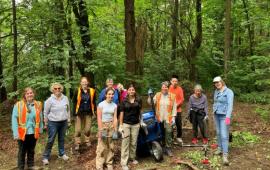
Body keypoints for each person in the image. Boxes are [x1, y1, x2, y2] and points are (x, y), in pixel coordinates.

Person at [12, 87, 43, 170]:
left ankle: (31, 165)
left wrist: (41, 128)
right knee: (22, 151)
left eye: (31, 93)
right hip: (22, 132)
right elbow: (14, 120)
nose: (30, 94)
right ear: (25, 95)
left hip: (33, 131)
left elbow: (40, 117)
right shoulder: (18, 105)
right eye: (28, 93)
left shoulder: (38, 104)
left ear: (34, 94)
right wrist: (16, 133)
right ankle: (20, 167)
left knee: (31, 149)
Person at [42, 83, 71, 165]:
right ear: (52, 90)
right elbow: (45, 112)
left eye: (59, 88)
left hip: (64, 122)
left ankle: (61, 154)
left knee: (62, 138)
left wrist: (68, 120)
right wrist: (45, 122)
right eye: (55, 88)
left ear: (61, 89)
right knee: (51, 140)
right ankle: (45, 157)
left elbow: (68, 110)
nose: (57, 90)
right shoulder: (49, 100)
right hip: (53, 123)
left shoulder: (65, 98)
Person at [148, 81, 177, 157]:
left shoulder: (172, 96)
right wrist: (150, 96)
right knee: (161, 132)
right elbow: (150, 103)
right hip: (159, 117)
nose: (164, 88)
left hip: (168, 117)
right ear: (161, 88)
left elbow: (174, 107)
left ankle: (168, 148)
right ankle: (162, 146)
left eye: (166, 87)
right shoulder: (157, 95)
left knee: (168, 131)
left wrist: (173, 117)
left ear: (168, 88)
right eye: (163, 87)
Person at [119, 84, 142, 170]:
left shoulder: (138, 100)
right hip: (126, 124)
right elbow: (121, 113)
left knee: (133, 142)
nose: (131, 91)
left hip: (136, 124)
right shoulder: (124, 101)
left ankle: (132, 158)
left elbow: (140, 111)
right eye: (130, 90)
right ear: (127, 91)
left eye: (133, 89)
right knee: (125, 143)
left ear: (134, 91)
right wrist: (121, 125)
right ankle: (124, 162)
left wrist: (141, 121)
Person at [213, 76, 234, 166]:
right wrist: (213, 111)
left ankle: (225, 154)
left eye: (218, 82)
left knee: (224, 135)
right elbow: (215, 102)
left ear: (222, 82)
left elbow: (230, 105)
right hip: (216, 115)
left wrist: (228, 117)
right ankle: (219, 148)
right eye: (215, 83)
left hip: (225, 116)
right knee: (218, 132)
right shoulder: (216, 91)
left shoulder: (229, 92)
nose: (217, 84)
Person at [96, 87, 118, 170]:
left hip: (111, 126)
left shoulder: (115, 105)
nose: (111, 96)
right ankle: (99, 165)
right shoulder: (101, 104)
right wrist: (101, 130)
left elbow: (115, 118)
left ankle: (109, 163)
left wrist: (115, 130)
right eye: (109, 94)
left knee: (111, 145)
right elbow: (99, 118)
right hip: (103, 125)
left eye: (112, 94)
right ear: (105, 95)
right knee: (101, 146)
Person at [73, 77, 96, 151]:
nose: (84, 83)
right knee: (78, 130)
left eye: (85, 82)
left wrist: (94, 111)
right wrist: (74, 113)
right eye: (83, 82)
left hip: (88, 112)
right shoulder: (77, 90)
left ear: (87, 83)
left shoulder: (92, 91)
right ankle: (77, 143)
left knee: (88, 129)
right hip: (79, 113)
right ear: (80, 83)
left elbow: (94, 102)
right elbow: (74, 102)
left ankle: (87, 140)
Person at [168, 75, 184, 144]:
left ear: (177, 82)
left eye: (176, 81)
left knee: (179, 124)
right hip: (170, 110)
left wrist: (176, 105)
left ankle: (179, 137)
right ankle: (171, 138)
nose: (175, 82)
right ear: (171, 81)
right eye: (173, 81)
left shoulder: (179, 89)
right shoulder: (168, 88)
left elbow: (182, 99)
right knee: (171, 124)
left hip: (178, 109)